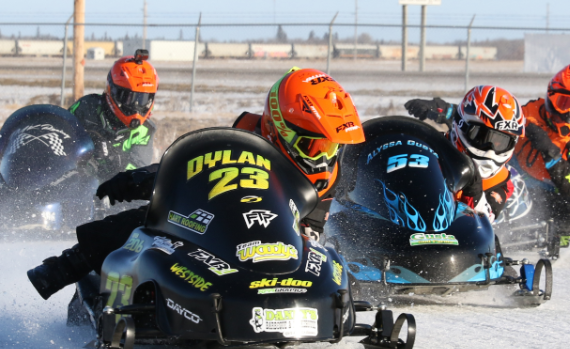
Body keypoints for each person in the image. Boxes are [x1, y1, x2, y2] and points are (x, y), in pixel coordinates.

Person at [27, 67, 365, 300]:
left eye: (333, 147)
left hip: (278, 248)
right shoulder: (244, 139)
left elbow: (316, 231)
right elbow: (191, 167)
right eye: (315, 146)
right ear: (279, 129)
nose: (324, 158)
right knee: (142, 223)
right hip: (214, 228)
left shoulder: (331, 174)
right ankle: (62, 268)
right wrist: (140, 178)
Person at [405, 85, 525, 221]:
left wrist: (473, 188)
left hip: (457, 238)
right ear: (462, 125)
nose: (490, 149)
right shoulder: (429, 147)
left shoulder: (502, 181)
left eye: (500, 142)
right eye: (481, 136)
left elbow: (485, 220)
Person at [511, 64, 570, 246]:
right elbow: (488, 116)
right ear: (550, 97)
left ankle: (539, 237)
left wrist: (549, 151)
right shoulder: (527, 114)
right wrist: (450, 111)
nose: (569, 114)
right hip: (507, 187)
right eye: (564, 103)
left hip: (544, 199)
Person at [69, 49, 158, 181]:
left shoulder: (145, 129)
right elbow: (61, 132)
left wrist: (111, 157)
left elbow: (137, 173)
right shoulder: (86, 108)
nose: (136, 106)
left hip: (110, 195)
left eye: (143, 99)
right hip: (74, 182)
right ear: (113, 91)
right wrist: (87, 144)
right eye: (130, 98)